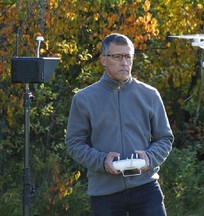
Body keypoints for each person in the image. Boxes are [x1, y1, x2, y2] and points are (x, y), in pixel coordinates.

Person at [65, 33, 174, 216]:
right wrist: (101, 160)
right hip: (105, 192)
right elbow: (74, 143)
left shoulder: (150, 94)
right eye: (117, 56)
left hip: (146, 187)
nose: (124, 62)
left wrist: (149, 157)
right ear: (103, 60)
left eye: (128, 56)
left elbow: (165, 138)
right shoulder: (84, 99)